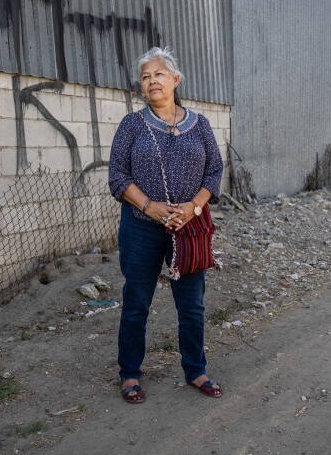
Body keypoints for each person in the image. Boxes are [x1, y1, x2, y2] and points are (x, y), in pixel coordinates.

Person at [108, 47, 224, 404]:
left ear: (175, 80)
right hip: (141, 226)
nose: (151, 81)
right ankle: (130, 374)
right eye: (145, 77)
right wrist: (151, 206)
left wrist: (192, 207)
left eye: (158, 74)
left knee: (192, 304)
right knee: (137, 302)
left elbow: (214, 171)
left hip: (189, 229)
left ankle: (196, 369)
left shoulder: (200, 124)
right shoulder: (132, 124)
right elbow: (117, 176)